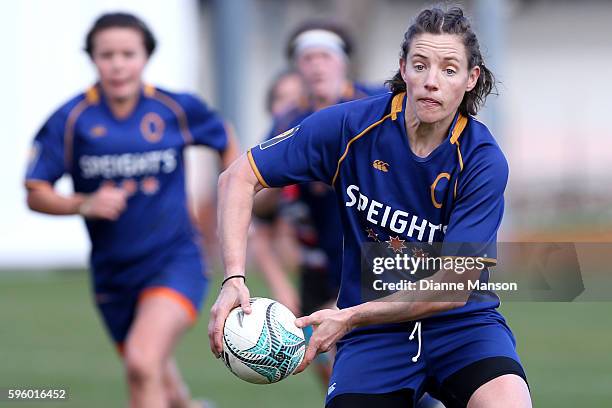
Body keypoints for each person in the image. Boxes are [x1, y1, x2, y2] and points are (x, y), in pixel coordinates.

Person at [209, 6, 531, 408]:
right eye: (420, 65)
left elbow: (452, 286)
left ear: (471, 78)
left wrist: (348, 316)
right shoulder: (349, 127)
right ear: (403, 68)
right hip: (375, 338)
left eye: (449, 69)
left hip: (463, 327)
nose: (432, 81)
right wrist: (233, 279)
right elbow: (237, 177)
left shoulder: (482, 159)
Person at [25, 12, 238, 408]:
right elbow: (36, 192)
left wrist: (231, 199)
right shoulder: (71, 120)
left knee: (142, 363)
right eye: (107, 55)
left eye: (128, 53)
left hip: (175, 259)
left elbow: (224, 136)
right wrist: (82, 203)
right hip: (113, 274)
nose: (118, 63)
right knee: (157, 377)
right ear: (93, 59)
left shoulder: (173, 108)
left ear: (145, 57)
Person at [250, 20, 387, 388]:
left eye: (324, 56)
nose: (316, 65)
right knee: (335, 375)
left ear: (342, 62)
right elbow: (259, 209)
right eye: (307, 58)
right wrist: (286, 175)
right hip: (318, 269)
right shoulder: (289, 122)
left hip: (373, 260)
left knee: (365, 369)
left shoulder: (377, 104)